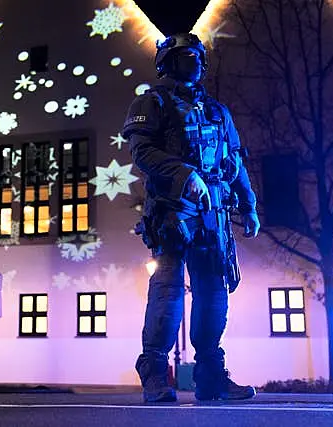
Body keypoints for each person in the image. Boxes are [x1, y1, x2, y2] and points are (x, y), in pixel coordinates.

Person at [121, 33, 261, 403]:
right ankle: (155, 373)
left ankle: (211, 376)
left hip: (213, 214)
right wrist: (185, 175)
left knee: (213, 293)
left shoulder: (217, 111)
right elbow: (143, 151)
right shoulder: (152, 102)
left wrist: (248, 203)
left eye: (198, 56)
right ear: (168, 61)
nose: (195, 63)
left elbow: (234, 160)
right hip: (172, 211)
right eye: (186, 57)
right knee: (168, 293)